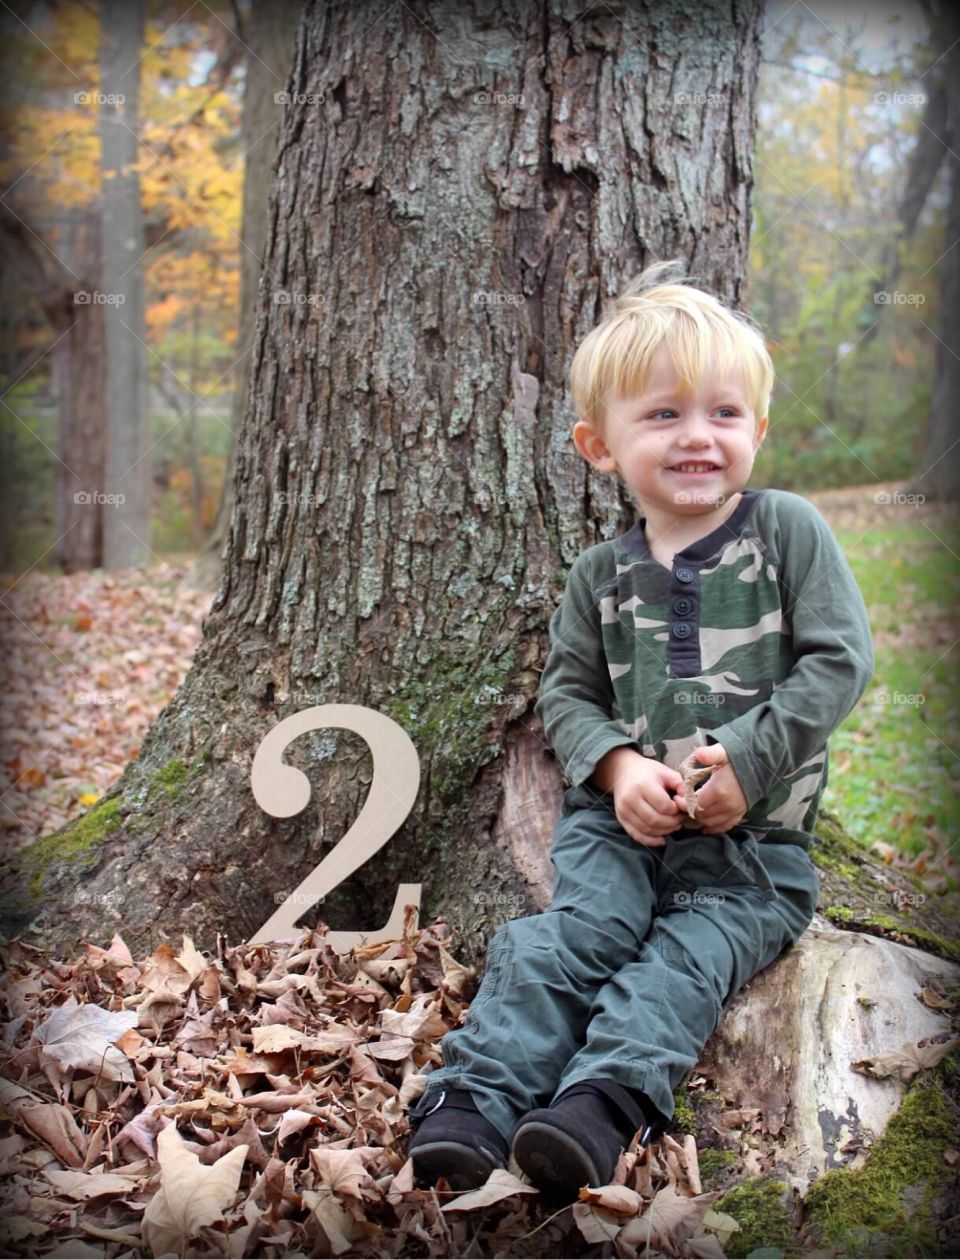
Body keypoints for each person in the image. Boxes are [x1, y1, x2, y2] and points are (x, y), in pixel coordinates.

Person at [403, 259, 876, 1199]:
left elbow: (840, 661)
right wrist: (618, 772)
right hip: (616, 832)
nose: (698, 436)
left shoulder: (785, 532)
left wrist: (750, 758)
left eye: (724, 414)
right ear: (600, 445)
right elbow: (567, 697)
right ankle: (471, 1100)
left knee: (685, 960)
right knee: (565, 940)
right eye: (663, 415)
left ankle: (598, 1106)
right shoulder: (600, 578)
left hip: (754, 853)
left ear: (759, 429)